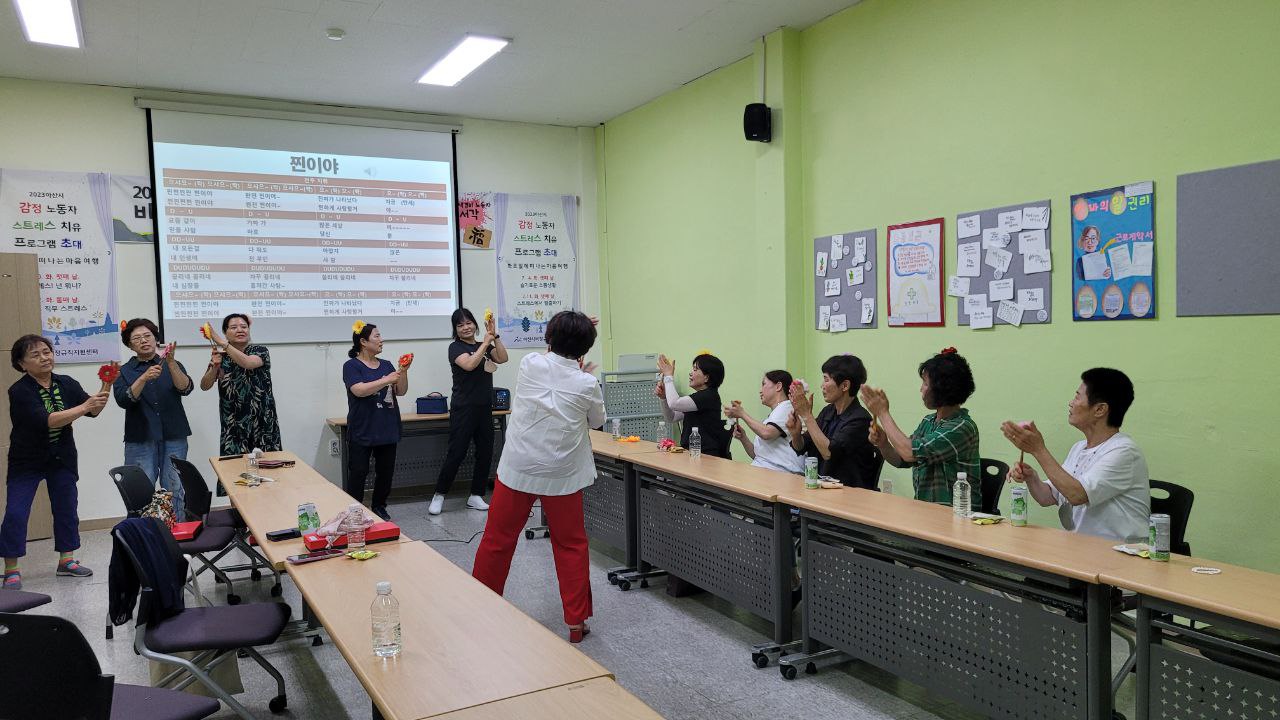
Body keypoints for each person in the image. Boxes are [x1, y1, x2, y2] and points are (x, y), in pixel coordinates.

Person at [472, 311, 604, 643]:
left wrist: (569, 335)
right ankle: (576, 623)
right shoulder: (587, 384)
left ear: (549, 338)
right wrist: (580, 366)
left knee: (497, 541)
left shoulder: (530, 364)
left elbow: (552, 357)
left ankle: (479, 609)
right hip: (563, 475)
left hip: (519, 469)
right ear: (585, 348)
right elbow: (596, 422)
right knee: (571, 545)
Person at [3, 335, 108, 590]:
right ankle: (11, 570)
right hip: (26, 460)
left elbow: (94, 410)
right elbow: (48, 420)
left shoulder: (66, 383)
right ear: (21, 364)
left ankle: (67, 561)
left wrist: (107, 383)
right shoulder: (19, 391)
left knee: (66, 508)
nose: (44, 357)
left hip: (61, 457)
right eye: (36, 354)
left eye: (47, 351)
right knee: (16, 513)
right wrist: (85, 406)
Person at [1001, 368, 1150, 543]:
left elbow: (1077, 495)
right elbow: (1048, 497)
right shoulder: (1079, 448)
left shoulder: (1124, 452)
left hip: (1119, 552)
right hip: (1081, 547)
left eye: (1077, 397)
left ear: (1100, 409)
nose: (1071, 403)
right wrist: (1031, 478)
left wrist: (1038, 449)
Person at [860, 347, 980, 507]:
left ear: (942, 389)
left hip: (956, 515)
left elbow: (909, 452)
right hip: (926, 510)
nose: (921, 389)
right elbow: (901, 459)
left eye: (925, 383)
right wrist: (883, 444)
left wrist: (882, 413)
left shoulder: (962, 427)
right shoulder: (928, 421)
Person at [113, 318, 193, 520]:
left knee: (175, 487)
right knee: (140, 490)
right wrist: (143, 378)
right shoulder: (124, 371)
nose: (143, 341)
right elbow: (123, 400)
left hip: (174, 434)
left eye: (147, 336)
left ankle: (177, 533)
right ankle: (144, 534)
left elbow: (186, 388)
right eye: (137, 338)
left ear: (155, 339)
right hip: (140, 437)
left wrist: (171, 363)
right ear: (130, 345)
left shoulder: (173, 364)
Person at [431, 308, 508, 515]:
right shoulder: (455, 347)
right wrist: (484, 343)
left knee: (485, 451)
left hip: (484, 408)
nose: (466, 327)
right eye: (460, 325)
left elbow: (503, 358)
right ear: (455, 329)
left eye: (469, 323)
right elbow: (469, 365)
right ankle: (439, 495)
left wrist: (494, 336)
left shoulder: (484, 345)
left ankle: (476, 495)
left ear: (475, 324)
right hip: (463, 408)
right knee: (457, 452)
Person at [342, 321, 410, 521]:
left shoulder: (387, 365)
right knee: (358, 472)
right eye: (377, 336)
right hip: (363, 427)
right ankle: (354, 510)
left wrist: (403, 371)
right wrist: (386, 379)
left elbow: (401, 391)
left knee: (385, 472)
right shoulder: (351, 365)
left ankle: (379, 506)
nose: (381, 340)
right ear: (363, 342)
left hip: (387, 426)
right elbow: (359, 390)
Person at [788, 355, 880, 488]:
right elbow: (801, 447)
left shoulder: (860, 419)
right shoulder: (828, 411)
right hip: (822, 486)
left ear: (845, 385)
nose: (822, 385)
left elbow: (829, 453)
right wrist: (795, 434)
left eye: (826, 379)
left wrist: (807, 416)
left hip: (849, 491)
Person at [198, 313, 282, 455]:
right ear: (226, 333)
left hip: (262, 424)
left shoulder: (260, 351)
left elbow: (248, 363)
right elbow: (204, 386)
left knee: (268, 465)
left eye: (244, 327)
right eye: (234, 327)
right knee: (232, 467)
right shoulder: (221, 357)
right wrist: (215, 368)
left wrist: (221, 342)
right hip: (233, 426)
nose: (240, 330)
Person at [656, 353, 731, 459]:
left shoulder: (708, 396)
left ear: (706, 377)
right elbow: (671, 417)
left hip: (706, 457)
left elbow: (674, 403)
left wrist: (668, 376)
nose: (691, 373)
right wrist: (663, 398)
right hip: (691, 454)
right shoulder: (700, 397)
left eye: (695, 370)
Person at [728, 370, 804, 474]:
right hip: (767, 470)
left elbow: (767, 433)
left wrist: (742, 414)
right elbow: (758, 456)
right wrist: (743, 438)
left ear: (778, 386)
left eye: (764, 384)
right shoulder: (774, 415)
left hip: (782, 474)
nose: (760, 391)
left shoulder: (787, 407)